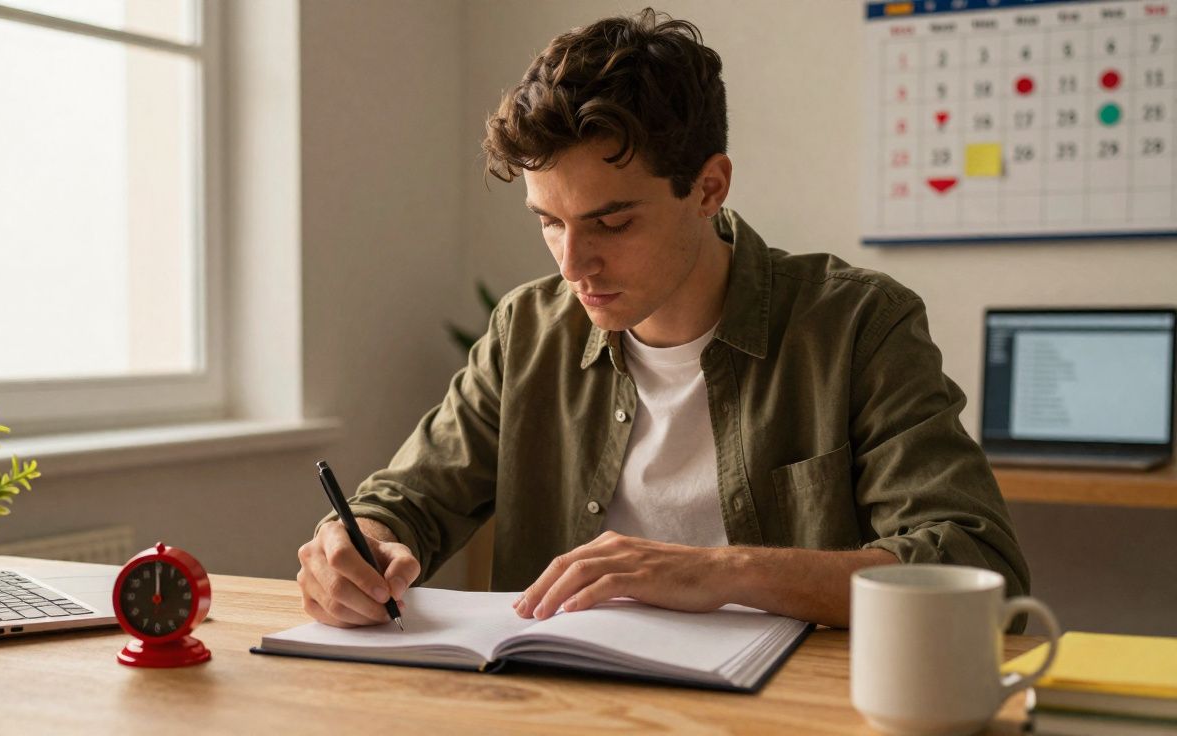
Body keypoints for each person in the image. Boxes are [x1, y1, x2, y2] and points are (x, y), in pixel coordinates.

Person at [296, 7, 1029, 630]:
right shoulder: (528, 331)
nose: (572, 264)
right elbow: (412, 498)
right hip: (568, 704)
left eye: (611, 222)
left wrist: (727, 572)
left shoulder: (858, 325)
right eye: (548, 222)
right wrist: (357, 545)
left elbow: (976, 562)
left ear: (709, 188)